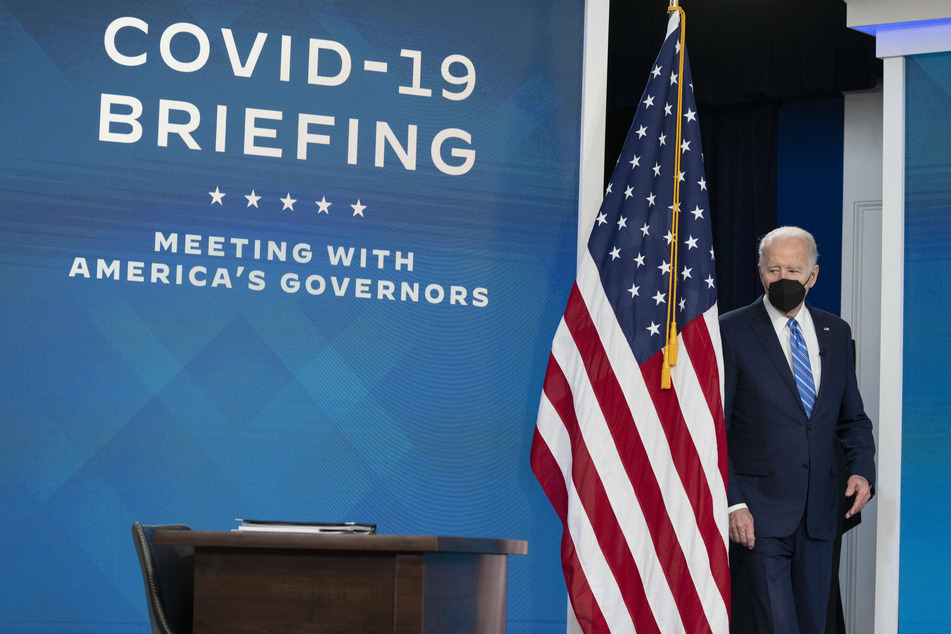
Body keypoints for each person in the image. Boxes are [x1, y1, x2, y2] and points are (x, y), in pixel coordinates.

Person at [720, 226, 876, 633]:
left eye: (793, 269)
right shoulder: (730, 331)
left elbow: (851, 417)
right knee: (776, 625)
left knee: (812, 623)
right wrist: (734, 503)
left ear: (813, 275)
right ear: (760, 273)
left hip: (821, 512)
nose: (783, 278)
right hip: (758, 512)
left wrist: (862, 470)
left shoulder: (836, 332)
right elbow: (715, 427)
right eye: (774, 269)